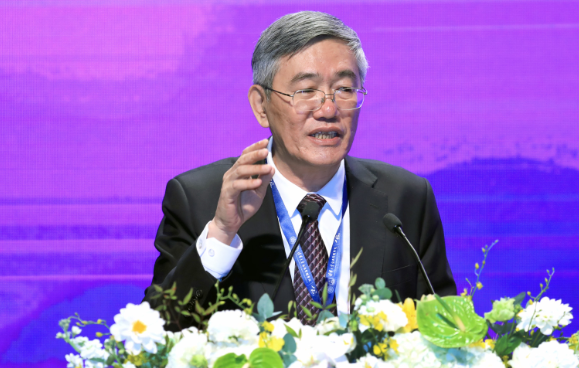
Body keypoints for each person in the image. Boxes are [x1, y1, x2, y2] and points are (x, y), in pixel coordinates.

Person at [144, 11, 456, 329]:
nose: (329, 109)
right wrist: (222, 233)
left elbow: (446, 332)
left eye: (344, 89)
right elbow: (159, 331)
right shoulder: (200, 199)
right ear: (261, 105)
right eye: (306, 91)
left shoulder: (406, 198)